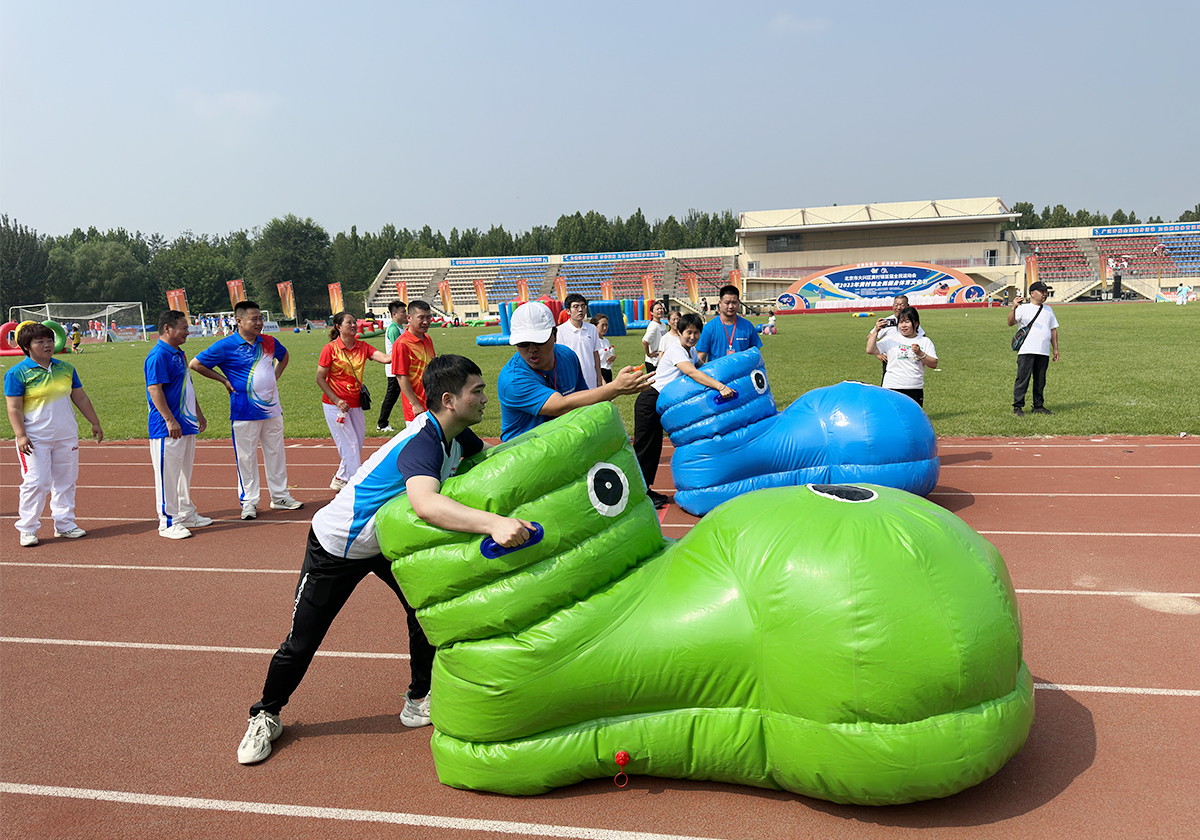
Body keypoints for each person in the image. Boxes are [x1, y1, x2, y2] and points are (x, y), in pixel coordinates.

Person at [236, 354, 533, 765]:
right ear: (449, 399)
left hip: (385, 545)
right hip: (338, 546)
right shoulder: (423, 442)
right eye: (477, 391)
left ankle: (416, 699)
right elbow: (426, 504)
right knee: (303, 641)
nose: (485, 398)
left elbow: (495, 457)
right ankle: (266, 714)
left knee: (422, 612)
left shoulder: (456, 435)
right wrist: (493, 524)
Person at [189, 300, 303, 520]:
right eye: (254, 319)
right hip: (243, 412)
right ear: (239, 321)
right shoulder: (225, 346)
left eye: (260, 318)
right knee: (246, 458)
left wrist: (276, 374)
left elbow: (284, 355)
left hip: (272, 410)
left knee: (276, 453)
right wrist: (223, 380)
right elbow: (195, 364)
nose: (259, 322)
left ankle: (280, 496)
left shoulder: (268, 341)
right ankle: (249, 502)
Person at [5, 323, 104, 546]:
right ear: (26, 346)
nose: (47, 345)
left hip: (66, 435)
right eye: (39, 341)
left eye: (49, 340)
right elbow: (14, 408)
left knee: (66, 481)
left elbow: (80, 398)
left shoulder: (66, 368)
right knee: (37, 482)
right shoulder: (17, 373)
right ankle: (28, 528)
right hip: (35, 439)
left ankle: (65, 524)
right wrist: (21, 435)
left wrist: (94, 422)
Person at [497, 301, 652, 441]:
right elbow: (560, 405)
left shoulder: (567, 356)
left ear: (554, 335)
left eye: (539, 340)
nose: (531, 349)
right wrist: (615, 387)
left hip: (560, 445)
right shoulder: (512, 380)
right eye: (523, 343)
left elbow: (583, 403)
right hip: (522, 456)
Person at [633, 313, 734, 509]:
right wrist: (720, 387)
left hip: (663, 403)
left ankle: (644, 490)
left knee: (654, 448)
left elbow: (703, 367)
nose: (692, 336)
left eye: (696, 333)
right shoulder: (677, 350)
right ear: (679, 331)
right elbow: (692, 372)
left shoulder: (691, 351)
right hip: (650, 399)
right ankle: (636, 494)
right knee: (645, 448)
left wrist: (727, 372)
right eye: (688, 332)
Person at [146, 310, 212, 539]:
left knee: (184, 471)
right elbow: (155, 390)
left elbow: (187, 384)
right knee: (168, 475)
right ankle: (167, 521)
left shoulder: (179, 354)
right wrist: (169, 420)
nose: (188, 332)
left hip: (186, 423)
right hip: (168, 428)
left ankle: (185, 511)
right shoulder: (158, 356)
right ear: (167, 328)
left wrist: (198, 412)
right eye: (184, 328)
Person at [317, 311, 391, 491]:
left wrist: (403, 347)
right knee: (349, 445)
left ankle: (340, 478)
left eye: (354, 322)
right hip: (335, 405)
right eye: (348, 323)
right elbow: (320, 378)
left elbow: (385, 358)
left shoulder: (362, 346)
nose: (353, 325)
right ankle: (355, 486)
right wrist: (336, 400)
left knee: (356, 444)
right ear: (338, 327)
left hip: (356, 403)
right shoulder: (330, 349)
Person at [866, 306, 938, 407]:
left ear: (916, 323)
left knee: (912, 421)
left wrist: (921, 354)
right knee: (891, 419)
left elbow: (934, 364)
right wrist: (876, 331)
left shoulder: (924, 341)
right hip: (892, 387)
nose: (903, 325)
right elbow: (870, 350)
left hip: (914, 388)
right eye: (901, 322)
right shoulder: (891, 339)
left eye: (907, 321)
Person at [1008, 281, 1059, 417]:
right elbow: (1010, 322)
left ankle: (1038, 406)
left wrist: (1055, 349)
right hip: (1027, 350)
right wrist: (1013, 308)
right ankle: (1017, 406)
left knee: (1040, 380)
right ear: (1032, 293)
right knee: (1022, 379)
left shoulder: (1048, 309)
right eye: (1041, 291)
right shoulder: (1023, 308)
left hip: (1043, 350)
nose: (1044, 294)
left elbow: (1053, 330)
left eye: (1045, 292)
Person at [393, 299, 435, 424]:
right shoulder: (402, 344)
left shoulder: (427, 339)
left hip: (433, 404)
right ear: (409, 318)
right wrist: (415, 404)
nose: (426, 322)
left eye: (428, 317)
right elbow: (401, 376)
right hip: (417, 410)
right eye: (421, 317)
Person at [695, 285, 762, 364]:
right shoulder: (709, 328)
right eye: (727, 303)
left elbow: (756, 355)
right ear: (720, 303)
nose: (730, 306)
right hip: (717, 375)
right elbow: (701, 358)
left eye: (734, 302)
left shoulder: (748, 326)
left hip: (742, 375)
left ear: (738, 303)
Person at [873, 295, 924, 382]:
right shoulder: (886, 322)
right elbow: (870, 338)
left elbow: (923, 337)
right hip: (890, 359)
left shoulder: (912, 323)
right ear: (893, 306)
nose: (899, 308)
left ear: (908, 306)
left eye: (902, 305)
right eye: (896, 305)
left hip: (909, 358)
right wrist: (878, 354)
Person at [557, 293, 604, 389]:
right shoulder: (560, 331)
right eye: (576, 307)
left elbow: (595, 354)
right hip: (571, 380)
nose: (580, 310)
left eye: (583, 306)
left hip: (591, 379)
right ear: (568, 311)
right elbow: (558, 359)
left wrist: (599, 378)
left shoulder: (592, 329)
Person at [375, 301, 408, 432]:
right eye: (403, 312)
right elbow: (398, 349)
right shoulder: (394, 329)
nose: (405, 314)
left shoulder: (400, 327)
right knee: (391, 397)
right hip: (395, 370)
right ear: (394, 314)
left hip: (401, 369)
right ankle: (382, 423)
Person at [641, 300, 667, 372]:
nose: (660, 310)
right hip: (653, 362)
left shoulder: (663, 325)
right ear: (651, 312)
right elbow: (645, 341)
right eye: (657, 309)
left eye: (661, 308)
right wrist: (648, 354)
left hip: (661, 359)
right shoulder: (653, 326)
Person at [591, 314, 615, 384]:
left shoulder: (606, 341)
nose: (605, 328)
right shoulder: (592, 341)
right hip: (598, 373)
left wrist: (612, 357)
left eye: (606, 325)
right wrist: (601, 378)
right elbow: (593, 361)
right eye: (602, 325)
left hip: (607, 371)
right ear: (595, 326)